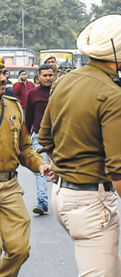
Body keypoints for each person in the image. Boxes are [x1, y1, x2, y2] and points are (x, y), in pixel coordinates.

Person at [38, 15, 121, 277]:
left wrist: (71, 164)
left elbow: (45, 139)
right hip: (91, 204)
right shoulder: (113, 96)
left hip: (63, 196)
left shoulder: (65, 82)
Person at [0, 60, 50, 277]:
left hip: (9, 186)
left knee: (20, 249)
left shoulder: (13, 107)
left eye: (3, 74)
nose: (2, 78)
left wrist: (39, 164)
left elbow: (24, 148)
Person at [25, 64, 55, 216]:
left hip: (59, 137)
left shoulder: (59, 92)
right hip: (39, 137)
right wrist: (25, 136)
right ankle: (42, 202)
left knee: (62, 169)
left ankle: (63, 201)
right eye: (45, 75)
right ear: (39, 77)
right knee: (41, 169)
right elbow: (29, 116)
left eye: (51, 75)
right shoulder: (33, 94)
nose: (48, 78)